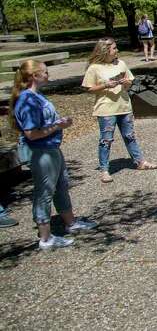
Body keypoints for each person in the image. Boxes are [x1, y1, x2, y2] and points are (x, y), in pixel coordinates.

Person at [12, 60, 97, 249]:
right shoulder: (27, 100)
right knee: (44, 192)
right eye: (45, 72)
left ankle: (71, 223)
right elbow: (32, 134)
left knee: (61, 185)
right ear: (34, 76)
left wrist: (59, 122)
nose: (48, 74)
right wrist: (58, 125)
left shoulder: (37, 96)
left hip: (52, 149)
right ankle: (45, 238)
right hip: (41, 153)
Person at [82, 38, 157, 183]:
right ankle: (104, 170)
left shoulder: (121, 64)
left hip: (124, 106)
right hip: (106, 109)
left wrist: (127, 83)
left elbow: (130, 83)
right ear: (105, 50)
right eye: (114, 48)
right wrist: (105, 85)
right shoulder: (94, 68)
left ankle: (140, 162)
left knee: (130, 136)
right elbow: (88, 89)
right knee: (106, 140)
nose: (117, 51)